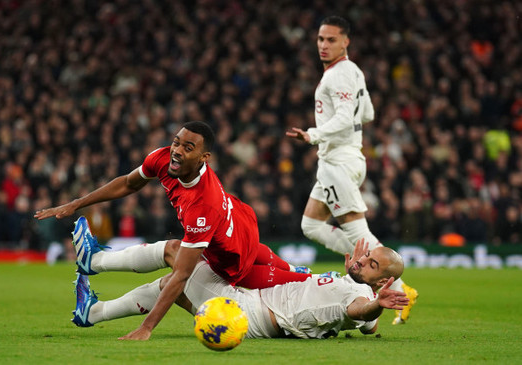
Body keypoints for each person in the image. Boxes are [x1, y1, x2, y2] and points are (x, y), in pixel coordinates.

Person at [35, 121, 312, 340]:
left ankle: (94, 275)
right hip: (242, 236)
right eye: (176, 142)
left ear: (204, 158)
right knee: (174, 256)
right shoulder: (164, 160)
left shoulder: (203, 205)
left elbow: (182, 275)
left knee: (302, 282)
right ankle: (93, 294)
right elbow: (128, 184)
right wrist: (76, 204)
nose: (177, 150)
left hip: (235, 265)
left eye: (187, 148)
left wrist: (147, 328)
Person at [285, 15, 418, 325]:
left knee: (358, 230)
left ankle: (399, 288)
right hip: (344, 158)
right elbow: (367, 112)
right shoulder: (352, 70)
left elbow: (346, 116)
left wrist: (313, 134)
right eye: (320, 39)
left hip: (338, 162)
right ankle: (368, 273)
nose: (324, 45)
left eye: (331, 40)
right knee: (311, 225)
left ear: (346, 41)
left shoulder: (338, 75)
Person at [73, 239, 409, 340]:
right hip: (253, 301)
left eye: (372, 264)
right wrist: (376, 312)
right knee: (172, 285)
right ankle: (94, 312)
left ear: (382, 282)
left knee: (180, 254)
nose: (363, 260)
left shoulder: (359, 298)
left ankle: (96, 260)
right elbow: (370, 325)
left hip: (250, 313)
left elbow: (361, 312)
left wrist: (377, 304)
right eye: (367, 255)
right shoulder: (353, 284)